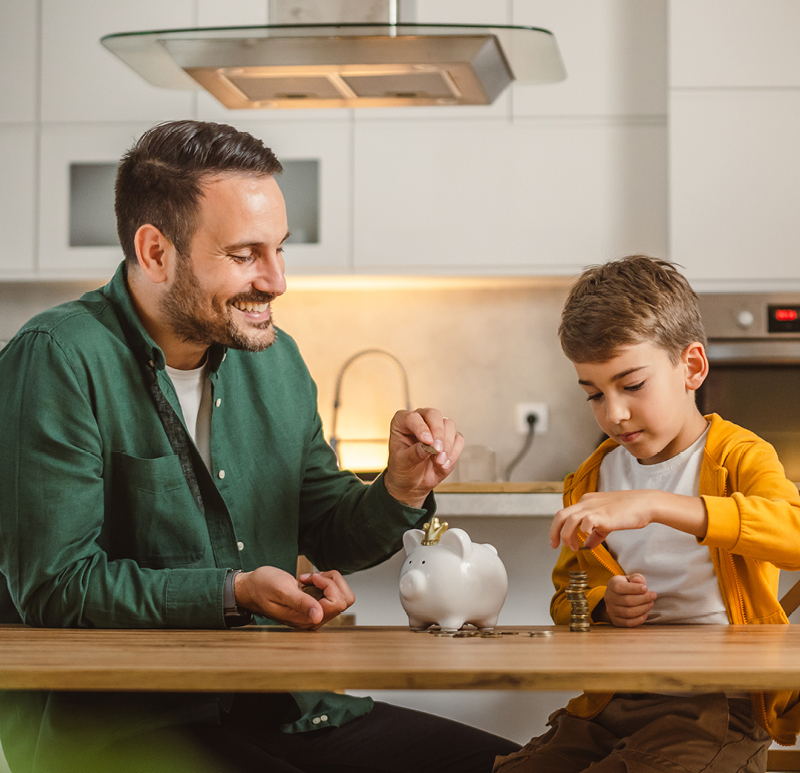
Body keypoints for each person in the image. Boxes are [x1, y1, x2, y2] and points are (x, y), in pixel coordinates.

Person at [0, 119, 519, 773]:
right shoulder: (58, 359)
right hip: (125, 732)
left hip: (286, 709)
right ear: (156, 252)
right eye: (245, 254)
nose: (276, 281)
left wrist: (400, 487)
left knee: (522, 767)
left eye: (280, 249)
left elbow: (328, 530)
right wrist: (235, 591)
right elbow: (55, 586)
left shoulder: (276, 362)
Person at [494, 255, 800, 773]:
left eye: (632, 385)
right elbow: (567, 598)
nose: (613, 413)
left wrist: (657, 504)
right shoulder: (592, 480)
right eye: (594, 393)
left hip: (716, 703)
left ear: (693, 368)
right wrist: (603, 606)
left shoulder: (739, 456)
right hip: (613, 700)